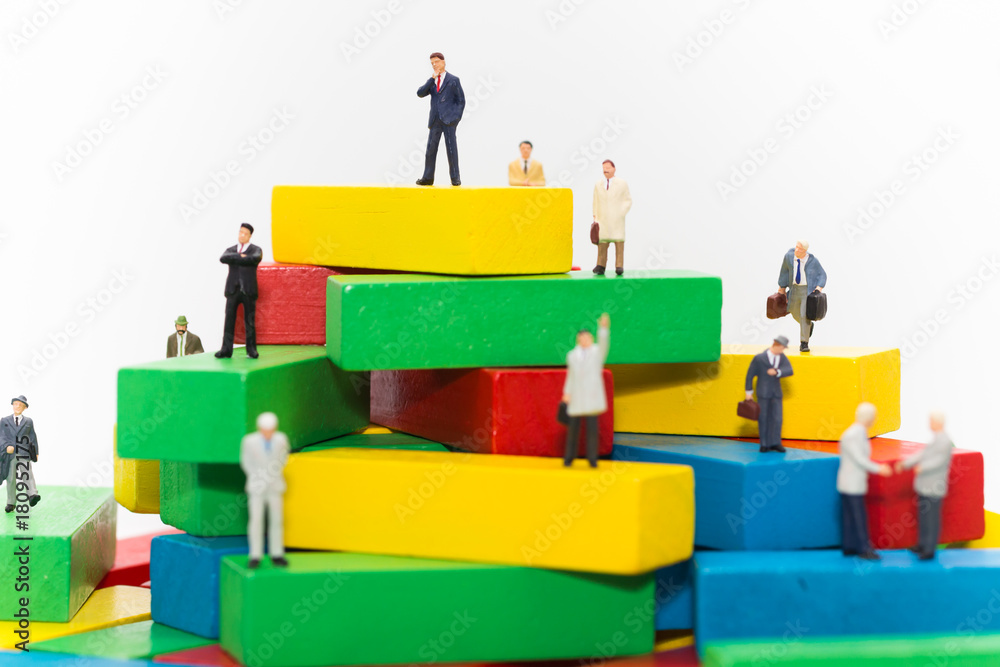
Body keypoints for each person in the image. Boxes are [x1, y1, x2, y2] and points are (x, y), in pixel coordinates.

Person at [896, 411, 954, 560]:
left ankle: (929, 548)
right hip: (925, 486)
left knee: (932, 518)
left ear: (938, 423)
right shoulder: (935, 440)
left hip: (934, 487)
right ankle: (922, 544)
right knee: (923, 517)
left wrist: (922, 467)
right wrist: (906, 463)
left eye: (931, 421)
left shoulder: (945, 441)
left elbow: (939, 461)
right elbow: (922, 454)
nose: (930, 424)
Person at [838, 402, 892, 560]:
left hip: (852, 481)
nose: (874, 420)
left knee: (849, 515)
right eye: (873, 417)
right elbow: (859, 459)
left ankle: (849, 546)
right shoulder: (853, 435)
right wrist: (879, 469)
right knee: (858, 516)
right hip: (852, 482)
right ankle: (863, 548)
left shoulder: (858, 433)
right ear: (868, 417)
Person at [240, 412, 290, 569]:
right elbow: (246, 462)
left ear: (275, 428)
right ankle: (255, 555)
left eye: (270, 429)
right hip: (257, 487)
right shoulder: (249, 441)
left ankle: (277, 554)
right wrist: (258, 477)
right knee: (256, 520)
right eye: (264, 429)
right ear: (259, 428)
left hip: (275, 486)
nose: (267, 432)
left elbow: (283, 458)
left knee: (277, 520)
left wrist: (272, 474)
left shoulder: (281, 439)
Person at [562, 313, 610, 467]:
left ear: (592, 338)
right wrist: (567, 393)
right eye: (582, 338)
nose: (585, 340)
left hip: (591, 396)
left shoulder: (597, 353)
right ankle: (569, 457)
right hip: (576, 396)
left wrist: (603, 329)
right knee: (573, 430)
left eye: (588, 337)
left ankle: (592, 459)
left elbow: (604, 344)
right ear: (578, 339)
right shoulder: (571, 355)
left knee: (592, 429)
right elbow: (571, 376)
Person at [415, 52, 465, 187]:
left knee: (451, 149)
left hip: (449, 120)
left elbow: (461, 101)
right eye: (432, 63)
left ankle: (455, 178)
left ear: (443, 62)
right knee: (431, 150)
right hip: (435, 120)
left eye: (436, 62)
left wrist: (456, 118)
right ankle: (428, 177)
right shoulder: (432, 81)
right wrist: (432, 79)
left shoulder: (453, 80)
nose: (434, 65)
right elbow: (420, 93)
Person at [216, 223, 262, 359]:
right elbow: (223, 258)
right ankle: (226, 349)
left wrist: (240, 258)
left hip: (248, 290)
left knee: (250, 321)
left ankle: (251, 350)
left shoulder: (256, 249)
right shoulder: (231, 249)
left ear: (250, 236)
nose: (242, 235)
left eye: (245, 233)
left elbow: (254, 259)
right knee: (229, 320)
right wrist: (240, 257)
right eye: (240, 232)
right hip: (233, 289)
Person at [744, 336, 793, 453]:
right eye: (781, 348)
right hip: (763, 393)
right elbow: (750, 375)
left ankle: (776, 442)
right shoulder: (760, 358)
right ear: (776, 345)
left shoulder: (782, 357)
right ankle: (764, 443)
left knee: (777, 418)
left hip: (776, 393)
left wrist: (777, 372)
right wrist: (748, 392)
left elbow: (789, 370)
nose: (782, 351)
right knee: (763, 418)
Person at [777, 240, 827, 352]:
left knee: (804, 315)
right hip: (794, 289)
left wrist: (819, 288)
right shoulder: (789, 257)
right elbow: (784, 271)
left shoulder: (812, 261)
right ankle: (809, 326)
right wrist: (782, 287)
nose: (797, 250)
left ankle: (804, 343)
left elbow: (822, 274)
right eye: (796, 247)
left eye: (800, 249)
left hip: (806, 290)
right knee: (793, 311)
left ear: (805, 251)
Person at [1, 395, 40, 513]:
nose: (18, 407)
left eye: (21, 405)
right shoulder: (4, 420)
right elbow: (1, 436)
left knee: (27, 473)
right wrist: (6, 446)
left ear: (24, 408)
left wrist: (36, 452)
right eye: (16, 404)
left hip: (24, 452)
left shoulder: (28, 421)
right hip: (11, 455)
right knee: (11, 478)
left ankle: (33, 495)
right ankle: (11, 502)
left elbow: (33, 437)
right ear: (12, 405)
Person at [592, 160, 632, 276]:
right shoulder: (598, 184)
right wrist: (595, 215)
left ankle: (619, 265)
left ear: (614, 169)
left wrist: (621, 212)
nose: (606, 170)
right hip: (602, 218)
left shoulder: (622, 183)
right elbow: (595, 200)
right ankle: (601, 265)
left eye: (608, 167)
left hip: (616, 218)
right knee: (602, 243)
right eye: (604, 167)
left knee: (618, 242)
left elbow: (628, 200)